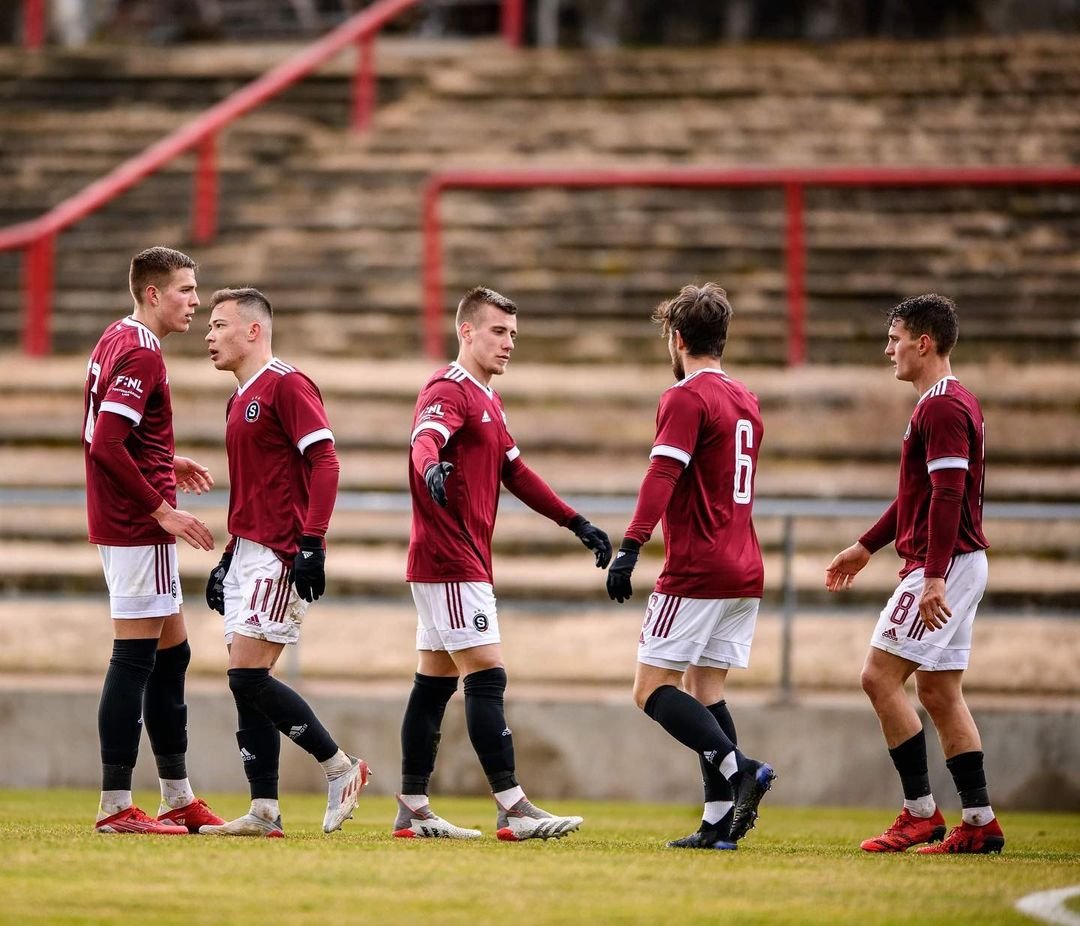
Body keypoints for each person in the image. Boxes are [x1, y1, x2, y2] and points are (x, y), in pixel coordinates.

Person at [398, 285, 612, 841]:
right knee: (487, 675)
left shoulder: (488, 399)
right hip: (451, 560)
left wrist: (575, 522)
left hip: (455, 560)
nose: (509, 343)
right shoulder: (450, 389)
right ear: (466, 331)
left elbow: (516, 472)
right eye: (498, 332)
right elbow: (426, 439)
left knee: (433, 684)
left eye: (513, 334)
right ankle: (513, 807)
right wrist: (430, 470)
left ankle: (413, 809)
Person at [825, 293, 1004, 855]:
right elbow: (921, 497)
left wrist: (932, 575)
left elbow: (949, 493)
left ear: (922, 343)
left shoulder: (942, 407)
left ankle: (920, 814)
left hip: (944, 564)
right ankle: (978, 821)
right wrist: (866, 546)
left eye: (895, 338)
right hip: (959, 562)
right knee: (939, 690)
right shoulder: (948, 402)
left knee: (878, 677)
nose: (889, 350)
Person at [606, 283, 775, 851]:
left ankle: (740, 768)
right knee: (706, 689)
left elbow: (663, 475)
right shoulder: (745, 396)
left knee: (651, 687)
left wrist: (630, 546)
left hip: (698, 568)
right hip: (744, 566)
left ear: (677, 339)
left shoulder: (684, 396)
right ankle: (717, 821)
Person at [199, 286, 368, 838]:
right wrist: (228, 555)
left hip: (280, 553)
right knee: (245, 682)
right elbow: (254, 488)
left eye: (220, 324)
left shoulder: (287, 385)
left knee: (247, 678)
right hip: (247, 551)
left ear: (253, 331)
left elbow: (326, 462)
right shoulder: (236, 398)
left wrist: (312, 542)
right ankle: (264, 810)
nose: (209, 334)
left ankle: (341, 768)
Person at [84, 246, 224, 835]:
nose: (196, 301)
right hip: (135, 526)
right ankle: (116, 806)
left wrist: (166, 458)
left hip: (127, 520)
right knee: (134, 658)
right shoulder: (141, 351)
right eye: (187, 290)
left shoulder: (118, 337)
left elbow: (110, 432)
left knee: (172, 656)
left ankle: (176, 796)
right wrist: (161, 509)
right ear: (153, 294)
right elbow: (106, 443)